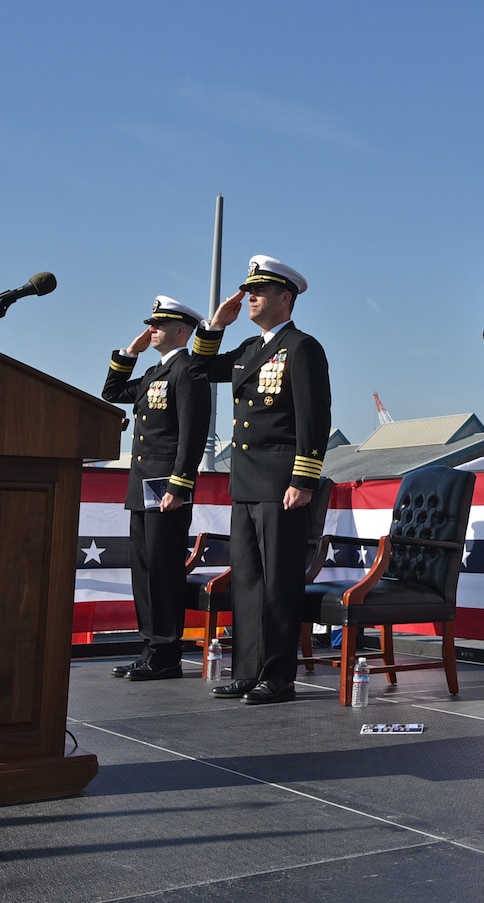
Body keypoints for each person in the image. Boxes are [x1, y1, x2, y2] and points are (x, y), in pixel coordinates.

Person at [189, 255, 332, 705]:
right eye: (248, 290)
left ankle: (278, 676)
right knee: (248, 582)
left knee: (278, 582)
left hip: (281, 484)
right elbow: (197, 369)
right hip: (246, 483)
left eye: (260, 291)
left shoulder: (302, 347)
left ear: (285, 298)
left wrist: (304, 479)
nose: (250, 296)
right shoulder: (250, 348)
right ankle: (248, 671)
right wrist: (215, 326)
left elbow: (315, 418)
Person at [102, 296, 211, 681]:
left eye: (159, 325)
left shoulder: (190, 371)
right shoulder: (152, 372)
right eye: (151, 324)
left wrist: (180, 485)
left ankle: (166, 654)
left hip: (167, 488)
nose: (152, 330)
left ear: (181, 330)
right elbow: (111, 393)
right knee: (144, 570)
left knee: (163, 571)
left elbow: (192, 434)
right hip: (141, 486)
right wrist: (129, 353)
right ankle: (150, 648)